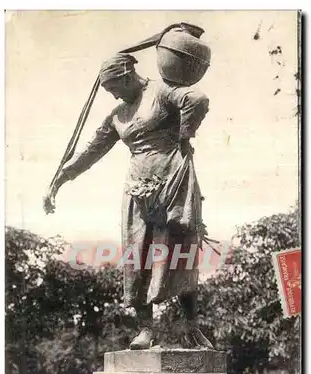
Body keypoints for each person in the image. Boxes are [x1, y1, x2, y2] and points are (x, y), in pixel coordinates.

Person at [44, 53, 214, 350]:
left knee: (181, 252)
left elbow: (197, 100)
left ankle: (192, 327)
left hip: (172, 183)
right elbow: (91, 150)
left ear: (128, 75)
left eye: (115, 88)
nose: (114, 94)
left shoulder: (161, 91)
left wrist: (185, 136)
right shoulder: (117, 115)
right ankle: (145, 329)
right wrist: (58, 181)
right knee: (137, 256)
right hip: (137, 190)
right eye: (109, 91)